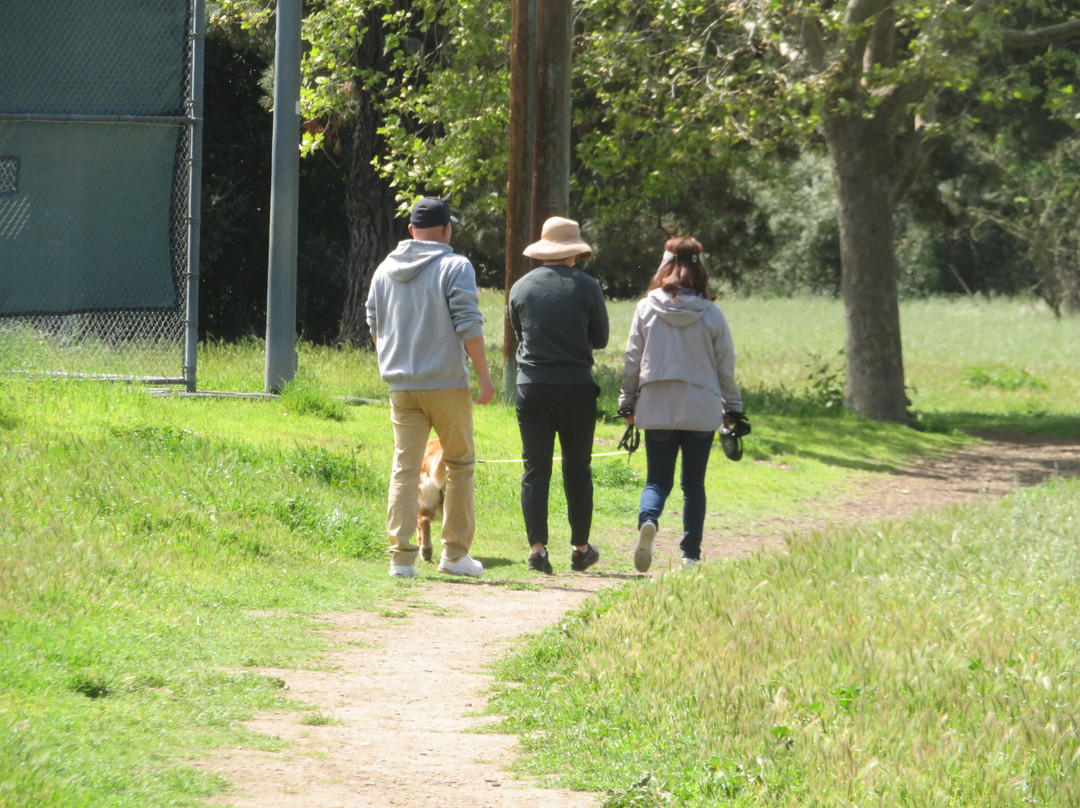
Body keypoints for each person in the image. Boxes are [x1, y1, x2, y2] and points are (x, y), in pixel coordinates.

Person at [365, 197, 496, 579]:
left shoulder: (384, 270)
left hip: (401, 386)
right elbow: (468, 322)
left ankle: (401, 559)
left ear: (410, 231)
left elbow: (373, 321)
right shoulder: (456, 266)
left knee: (404, 470)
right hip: (446, 383)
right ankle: (454, 554)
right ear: (446, 229)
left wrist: (393, 359)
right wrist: (484, 376)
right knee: (460, 465)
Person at [617, 237, 750, 572]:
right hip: (700, 407)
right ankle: (690, 556)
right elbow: (725, 366)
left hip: (656, 405)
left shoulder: (646, 308)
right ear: (699, 268)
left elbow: (632, 360)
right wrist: (734, 408)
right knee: (693, 485)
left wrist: (626, 402)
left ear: (665, 267)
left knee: (656, 481)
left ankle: (649, 521)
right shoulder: (712, 313)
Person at [509, 216, 609, 574]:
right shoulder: (588, 287)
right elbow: (601, 338)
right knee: (577, 468)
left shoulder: (520, 287)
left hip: (532, 386)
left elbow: (520, 332)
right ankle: (580, 548)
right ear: (574, 252)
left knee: (535, 469)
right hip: (576, 386)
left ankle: (537, 551)